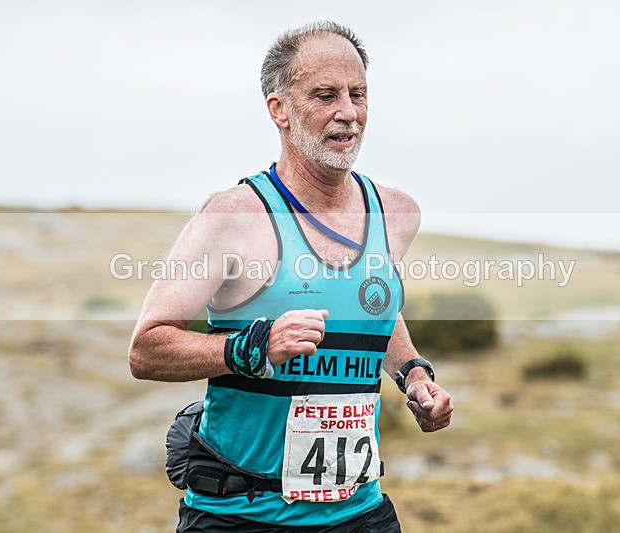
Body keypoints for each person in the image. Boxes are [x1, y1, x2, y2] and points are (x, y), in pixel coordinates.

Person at [129, 20, 454, 532]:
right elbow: (146, 350)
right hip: (242, 516)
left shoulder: (395, 215)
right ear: (278, 109)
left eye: (358, 94)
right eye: (325, 95)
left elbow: (376, 309)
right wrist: (249, 349)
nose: (348, 112)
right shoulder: (233, 216)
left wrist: (413, 375)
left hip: (359, 512)